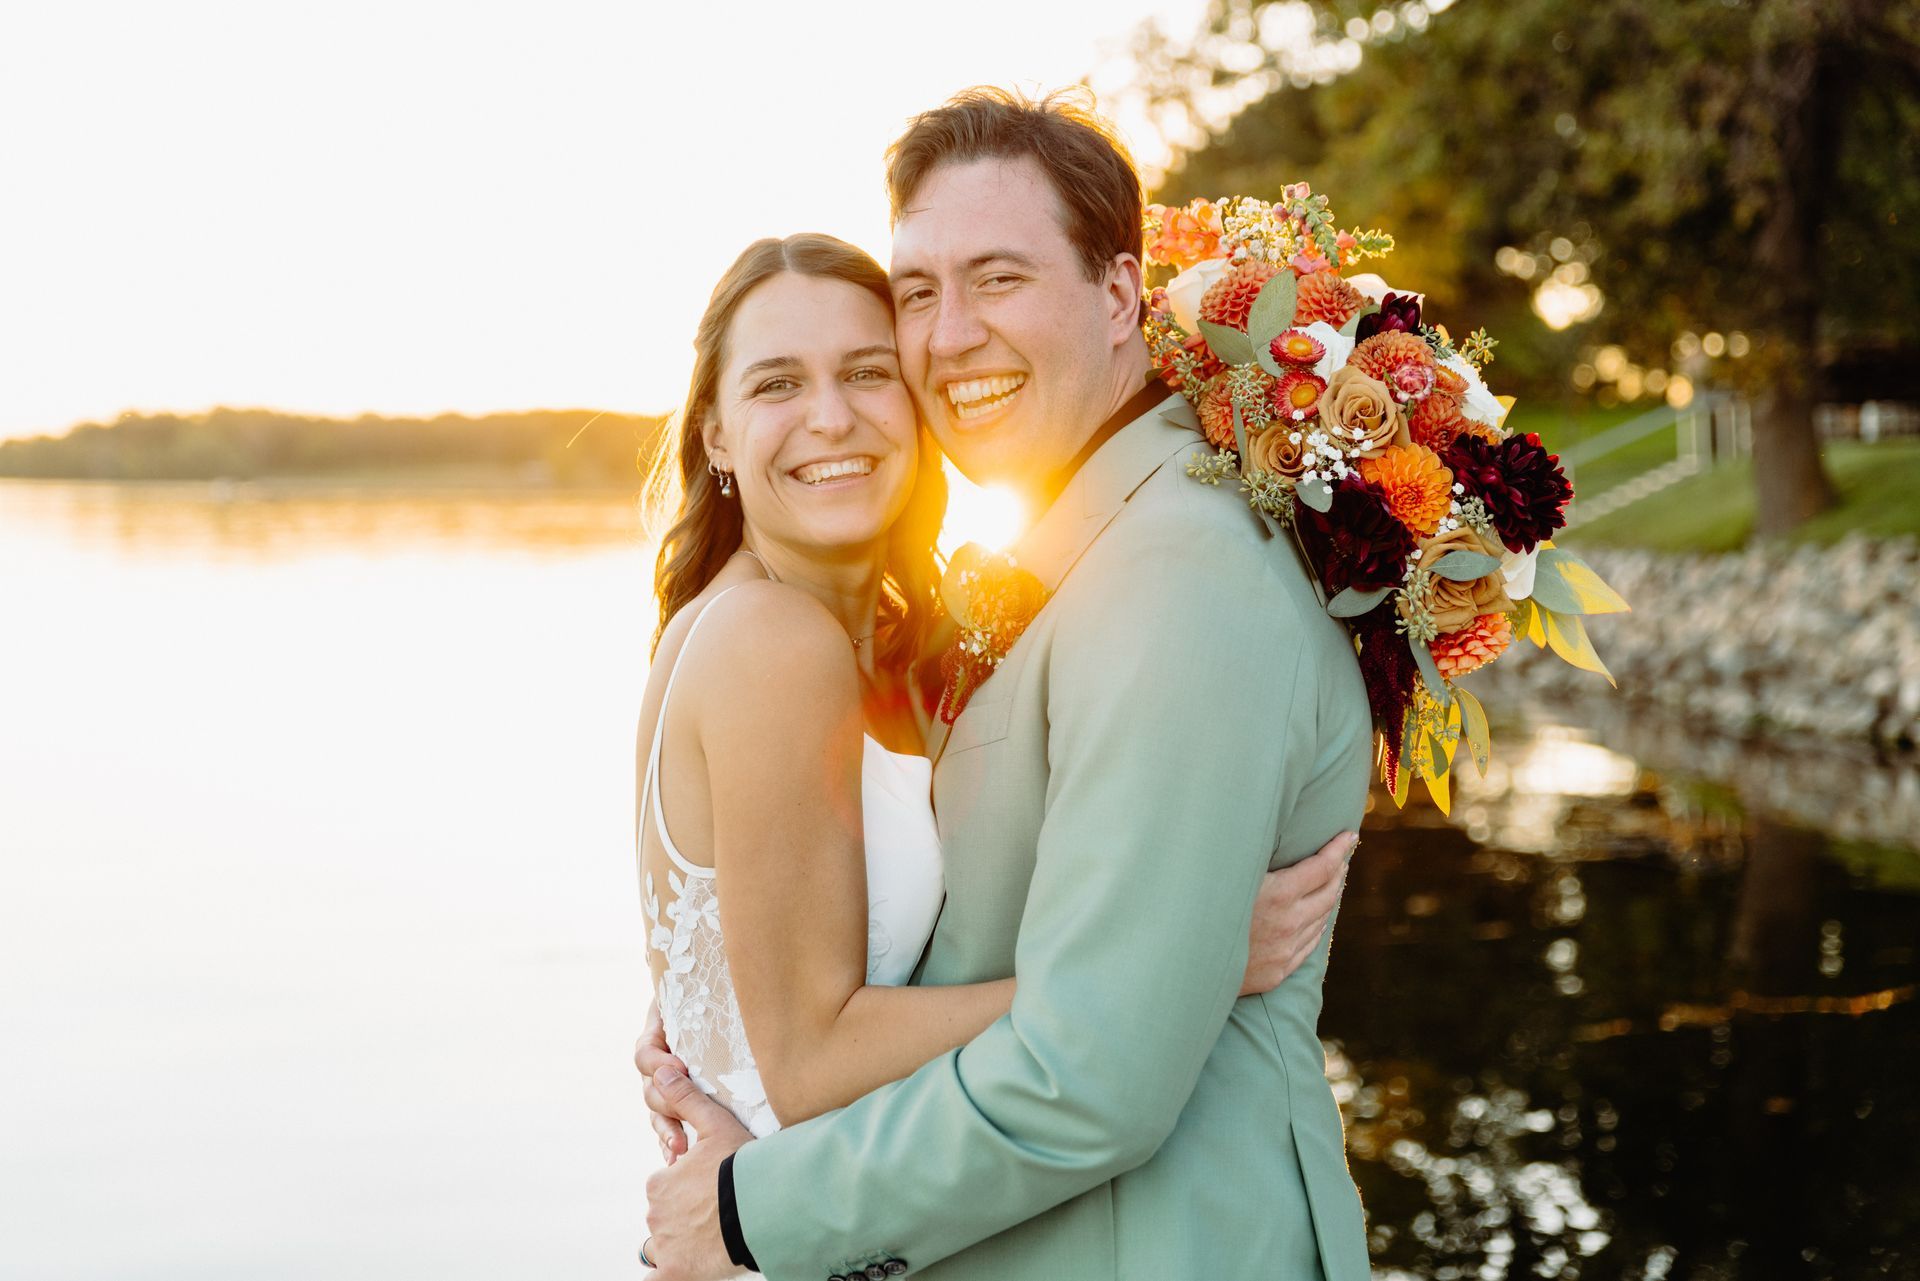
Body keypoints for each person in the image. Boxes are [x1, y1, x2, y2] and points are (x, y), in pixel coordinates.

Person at [632, 224, 1359, 1267]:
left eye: (869, 372)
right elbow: (810, 1058)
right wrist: (1177, 960)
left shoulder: (870, 640)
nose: (830, 416)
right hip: (776, 1220)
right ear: (712, 434)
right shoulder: (772, 641)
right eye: (777, 384)